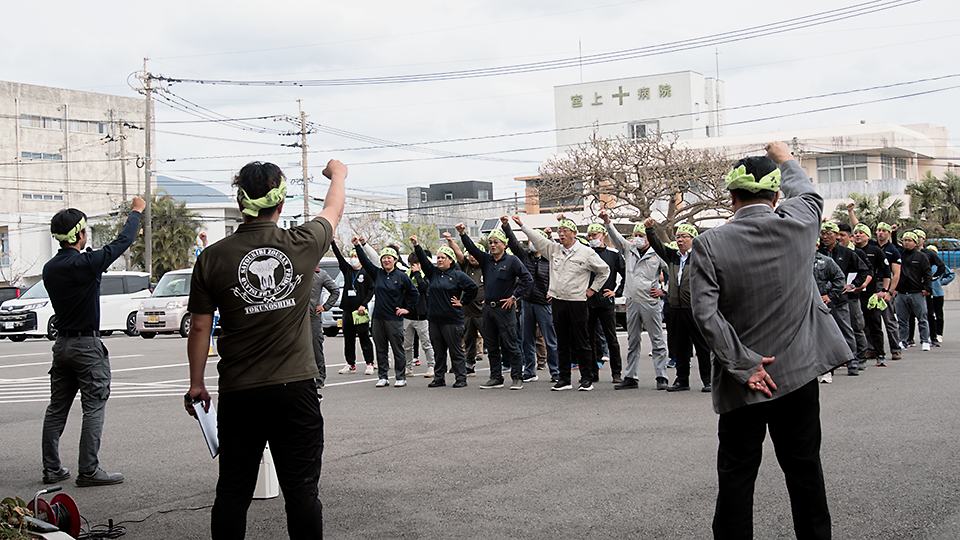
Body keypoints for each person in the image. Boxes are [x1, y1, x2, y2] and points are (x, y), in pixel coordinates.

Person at [689, 142, 850, 540]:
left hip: (742, 383)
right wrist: (784, 157)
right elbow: (810, 193)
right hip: (796, 375)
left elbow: (705, 314)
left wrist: (745, 366)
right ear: (776, 195)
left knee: (737, 475)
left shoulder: (708, 244)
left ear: (732, 198)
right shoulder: (800, 223)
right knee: (804, 469)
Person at [185, 159, 346, 539]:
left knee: (233, 491)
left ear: (240, 202)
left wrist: (196, 384)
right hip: (296, 389)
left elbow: (199, 325)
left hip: (240, 392)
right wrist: (337, 174)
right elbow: (333, 209)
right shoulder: (302, 243)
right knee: (302, 492)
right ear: (281, 202)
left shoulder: (213, 257)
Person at [41, 196, 145, 487]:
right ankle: (88, 470)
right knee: (94, 406)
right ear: (81, 234)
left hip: (61, 346)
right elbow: (122, 242)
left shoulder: (50, 269)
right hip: (87, 346)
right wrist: (136, 212)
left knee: (56, 409)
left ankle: (52, 469)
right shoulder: (86, 264)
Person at [516, 214, 610, 392]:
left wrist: (592, 290)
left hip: (577, 302)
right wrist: (522, 225)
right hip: (558, 302)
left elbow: (604, 271)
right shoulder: (554, 250)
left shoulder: (586, 252)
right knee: (562, 342)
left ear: (574, 233)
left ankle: (586, 378)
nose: (561, 234)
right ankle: (564, 378)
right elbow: (538, 239)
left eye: (565, 231)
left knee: (582, 342)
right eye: (559, 231)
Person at [600, 210, 669, 390]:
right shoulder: (629, 249)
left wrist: (665, 291)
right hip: (632, 301)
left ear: (648, 238)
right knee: (633, 341)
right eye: (635, 235)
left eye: (641, 235)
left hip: (650, 302)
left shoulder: (657, 253)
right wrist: (608, 222)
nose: (637, 238)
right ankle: (631, 376)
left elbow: (674, 271)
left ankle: (661, 376)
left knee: (657, 340)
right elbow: (616, 238)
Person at [457, 223, 532, 390]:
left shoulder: (512, 260)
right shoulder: (486, 260)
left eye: (496, 242)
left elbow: (528, 280)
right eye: (490, 242)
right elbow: (471, 247)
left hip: (505, 309)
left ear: (504, 244)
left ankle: (517, 377)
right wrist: (463, 234)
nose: (492, 245)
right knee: (491, 345)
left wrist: (514, 297)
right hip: (488, 309)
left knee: (511, 343)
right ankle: (496, 377)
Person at [645, 218, 712, 392]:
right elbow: (658, 246)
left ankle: (708, 379)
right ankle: (682, 380)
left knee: (702, 345)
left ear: (693, 239)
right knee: (680, 346)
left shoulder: (701, 256)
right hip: (676, 307)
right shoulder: (673, 256)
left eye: (684, 236)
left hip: (694, 307)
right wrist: (650, 230)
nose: (679, 240)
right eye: (678, 237)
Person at [410, 236, 479, 387]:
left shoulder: (457, 275)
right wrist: (416, 245)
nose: (440, 260)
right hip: (435, 320)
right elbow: (424, 260)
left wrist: (463, 302)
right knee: (438, 352)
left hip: (452, 320)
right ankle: (439, 378)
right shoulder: (433, 273)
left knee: (456, 352)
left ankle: (461, 378)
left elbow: (473, 287)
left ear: (451, 260)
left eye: (443, 257)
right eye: (438, 257)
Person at [354, 239, 420, 387]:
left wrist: (407, 309)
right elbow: (365, 261)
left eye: (389, 258)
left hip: (394, 319)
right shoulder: (377, 273)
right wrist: (358, 246)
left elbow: (415, 293)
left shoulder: (402, 276)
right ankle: (382, 376)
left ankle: (400, 377)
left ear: (395, 260)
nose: (386, 260)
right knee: (381, 348)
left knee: (397, 349)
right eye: (384, 258)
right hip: (378, 318)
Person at [500, 217, 559, 383]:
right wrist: (506, 226)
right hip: (526, 301)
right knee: (527, 339)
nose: (532, 243)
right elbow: (513, 243)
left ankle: (555, 371)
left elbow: (559, 275)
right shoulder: (524, 255)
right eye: (529, 240)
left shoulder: (550, 258)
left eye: (535, 240)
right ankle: (530, 371)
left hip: (544, 303)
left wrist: (553, 292)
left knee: (550, 339)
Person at [585, 222, 626, 384]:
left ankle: (617, 372)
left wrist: (617, 292)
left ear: (602, 235)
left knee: (611, 338)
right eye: (589, 236)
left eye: (594, 235)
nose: (591, 238)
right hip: (588, 301)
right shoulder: (586, 252)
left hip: (606, 301)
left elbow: (625, 274)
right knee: (590, 339)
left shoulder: (613, 253)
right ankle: (593, 372)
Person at [330, 241, 376, 375]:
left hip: (360, 311)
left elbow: (371, 289)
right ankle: (350, 364)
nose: (353, 259)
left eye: (356, 257)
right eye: (352, 257)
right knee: (348, 338)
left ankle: (369, 363)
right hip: (347, 311)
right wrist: (332, 242)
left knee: (364, 337)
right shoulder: (347, 269)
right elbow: (338, 256)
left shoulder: (366, 272)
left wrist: (364, 304)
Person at [850, 223, 892, 366]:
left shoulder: (876, 251)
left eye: (861, 232)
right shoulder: (850, 251)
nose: (858, 235)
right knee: (855, 326)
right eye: (856, 232)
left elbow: (887, 272)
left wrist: (885, 291)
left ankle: (880, 354)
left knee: (874, 325)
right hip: (853, 294)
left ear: (868, 236)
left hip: (870, 295)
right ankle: (855, 355)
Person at [445, 232, 485, 376]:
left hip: (482, 311)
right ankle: (469, 364)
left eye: (474, 254)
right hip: (467, 310)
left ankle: (499, 363)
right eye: (470, 254)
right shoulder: (466, 265)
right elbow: (457, 252)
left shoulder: (486, 267)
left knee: (490, 338)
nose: (472, 257)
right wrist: (450, 240)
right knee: (469, 339)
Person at [895, 231, 932, 351]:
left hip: (916, 292)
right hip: (901, 292)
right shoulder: (900, 254)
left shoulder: (922, 257)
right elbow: (894, 244)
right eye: (905, 240)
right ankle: (903, 341)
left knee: (922, 318)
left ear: (915, 243)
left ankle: (925, 341)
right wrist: (895, 232)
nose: (906, 242)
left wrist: (927, 288)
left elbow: (927, 273)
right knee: (902, 320)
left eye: (909, 240)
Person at [403, 252, 435, 377]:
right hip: (408, 315)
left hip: (422, 316)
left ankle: (431, 366)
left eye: (416, 264)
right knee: (407, 345)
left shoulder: (425, 275)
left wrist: (417, 273)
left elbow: (423, 287)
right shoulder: (406, 275)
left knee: (426, 343)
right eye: (411, 264)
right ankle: (408, 367)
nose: (413, 266)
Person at [310, 266, 340, 389]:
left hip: (313, 317)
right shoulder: (296, 272)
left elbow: (335, 291)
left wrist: (325, 307)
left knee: (316, 346)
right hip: (296, 318)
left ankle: (320, 377)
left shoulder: (320, 274)